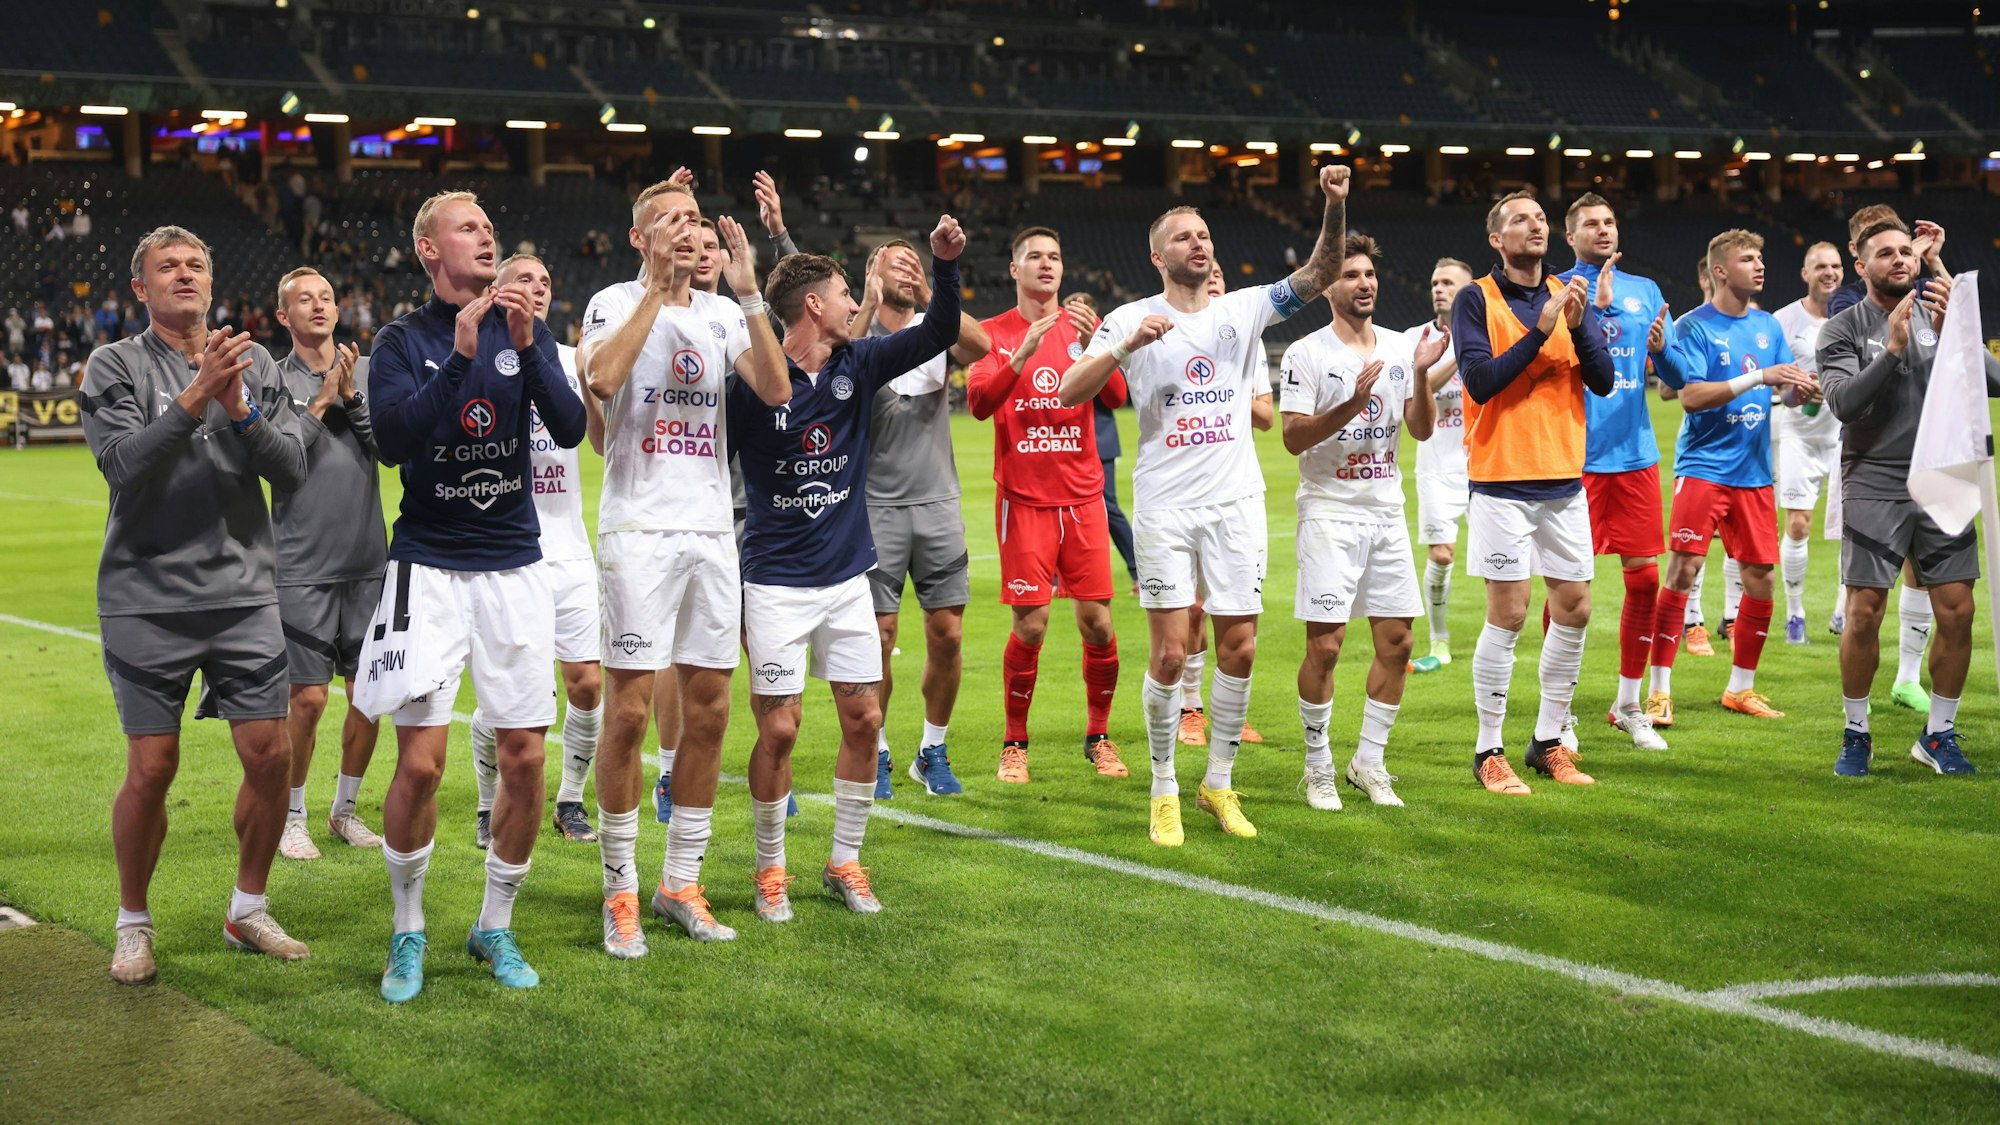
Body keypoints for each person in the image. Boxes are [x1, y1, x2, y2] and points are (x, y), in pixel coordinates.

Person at [1062, 163, 1353, 845]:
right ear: (1157, 255)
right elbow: (1071, 390)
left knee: (1241, 647)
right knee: (1168, 654)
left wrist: (1334, 204)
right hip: (1165, 507)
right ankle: (1163, 786)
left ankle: (1217, 780)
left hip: (1236, 504)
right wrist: (1123, 346)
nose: (1199, 243)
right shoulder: (1129, 318)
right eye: (1184, 237)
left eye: (1204, 235)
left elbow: (1322, 271)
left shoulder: (1243, 307)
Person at [356, 191, 587, 1003]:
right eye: (468, 226)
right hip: (428, 568)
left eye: (491, 223)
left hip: (514, 568)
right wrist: (457, 358)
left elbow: (568, 428)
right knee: (420, 763)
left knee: (525, 757)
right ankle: (407, 927)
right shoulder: (399, 340)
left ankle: (495, 923)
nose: (487, 233)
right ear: (429, 249)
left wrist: (525, 344)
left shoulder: (528, 331)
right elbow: (392, 441)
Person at [82, 225, 311, 984]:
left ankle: (247, 906)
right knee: (152, 766)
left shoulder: (252, 364)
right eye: (167, 267)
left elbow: (292, 468)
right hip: (145, 597)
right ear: (140, 290)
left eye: (197, 265)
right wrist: (196, 394)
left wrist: (239, 405)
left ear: (212, 284)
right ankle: (132, 922)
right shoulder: (113, 363)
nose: (185, 275)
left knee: (271, 754)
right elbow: (123, 466)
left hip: (243, 592)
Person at [732, 216, 967, 914]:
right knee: (779, 728)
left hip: (845, 580)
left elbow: (936, 334)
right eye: (842, 294)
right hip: (774, 580)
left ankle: (845, 862)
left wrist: (945, 266)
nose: (850, 306)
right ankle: (770, 868)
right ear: (814, 306)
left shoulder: (856, 365)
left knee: (863, 717)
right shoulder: (749, 377)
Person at [580, 181, 789, 953]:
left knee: (707, 712)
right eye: (670, 221)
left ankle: (681, 881)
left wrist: (748, 292)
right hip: (639, 527)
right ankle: (620, 888)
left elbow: (774, 388)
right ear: (639, 238)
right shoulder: (610, 302)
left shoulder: (725, 311)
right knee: (630, 713)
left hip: (710, 531)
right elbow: (601, 379)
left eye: (694, 221)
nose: (687, 230)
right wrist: (658, 292)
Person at [1819, 217, 1997, 777]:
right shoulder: (1843, 328)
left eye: (1906, 252)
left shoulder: (1938, 319)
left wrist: (1955, 337)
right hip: (1875, 479)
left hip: (1944, 475)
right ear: (1862, 265)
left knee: (1959, 610)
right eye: (1886, 253)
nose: (1900, 260)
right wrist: (1892, 351)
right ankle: (1857, 732)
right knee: (1864, 613)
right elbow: (1845, 404)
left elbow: (1994, 379)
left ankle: (1938, 735)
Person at [1450, 191, 1615, 795]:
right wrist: (1542, 331)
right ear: (1497, 239)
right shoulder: (1476, 299)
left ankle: (1548, 742)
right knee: (1512, 613)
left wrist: (1578, 326)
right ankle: (1487, 750)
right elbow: (1480, 380)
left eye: (1541, 218)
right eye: (1521, 219)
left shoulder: (1567, 295)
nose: (1536, 226)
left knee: (1575, 609)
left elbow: (1603, 379)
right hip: (1501, 480)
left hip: (1564, 479)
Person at [1279, 234, 1449, 809]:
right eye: (1351, 274)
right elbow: (1292, 437)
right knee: (1325, 647)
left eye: (1370, 274)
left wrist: (1422, 376)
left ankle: (1368, 762)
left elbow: (1421, 430)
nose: (1365, 283)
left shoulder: (1404, 348)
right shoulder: (1307, 353)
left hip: (1384, 510)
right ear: (1328, 286)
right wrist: (1350, 405)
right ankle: (1317, 762)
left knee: (1398, 642)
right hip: (1329, 509)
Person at [964, 225, 1129, 784]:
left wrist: (1094, 344)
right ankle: (1015, 743)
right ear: (1014, 269)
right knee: (1032, 626)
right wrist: (1021, 357)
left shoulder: (1083, 328)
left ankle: (1099, 736)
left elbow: (1116, 397)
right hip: (1025, 500)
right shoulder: (994, 333)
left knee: (1099, 624)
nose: (1046, 265)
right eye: (1034, 256)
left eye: (1054, 257)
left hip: (1082, 497)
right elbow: (980, 402)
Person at [1645, 230, 1816, 727]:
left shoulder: (1767, 326)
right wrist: (1762, 377)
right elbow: (1690, 395)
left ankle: (1741, 688)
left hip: (1754, 473)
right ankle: (1658, 690)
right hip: (1703, 468)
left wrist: (1794, 395)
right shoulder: (1694, 326)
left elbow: (1782, 395)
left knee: (1762, 580)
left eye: (1760, 257)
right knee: (1682, 572)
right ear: (1720, 271)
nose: (1759, 266)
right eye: (1747, 259)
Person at [466, 254, 607, 850]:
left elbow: (592, 436)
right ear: (497, 291)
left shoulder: (567, 362)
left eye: (546, 281)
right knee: (507, 694)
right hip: (508, 551)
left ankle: (571, 797)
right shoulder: (478, 359)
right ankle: (483, 803)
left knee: (587, 686)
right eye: (524, 279)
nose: (537, 288)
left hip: (569, 549)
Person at [855, 239, 993, 798]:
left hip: (937, 504)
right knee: (878, 639)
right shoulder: (857, 333)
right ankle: (877, 751)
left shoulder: (936, 330)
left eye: (913, 258)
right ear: (870, 273)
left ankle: (932, 749)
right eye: (894, 261)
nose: (906, 266)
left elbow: (982, 344)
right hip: (873, 507)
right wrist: (866, 302)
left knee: (948, 634)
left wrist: (933, 288)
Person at [267, 266, 387, 860]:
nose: (318, 306)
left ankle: (345, 809)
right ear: (283, 317)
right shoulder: (269, 377)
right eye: (303, 300)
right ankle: (292, 815)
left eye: (326, 298)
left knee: (368, 695)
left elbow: (387, 451)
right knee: (308, 699)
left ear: (338, 310)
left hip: (367, 560)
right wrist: (320, 403)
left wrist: (352, 398)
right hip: (300, 563)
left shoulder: (364, 371)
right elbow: (279, 462)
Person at [1556, 194, 1681, 750]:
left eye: (1609, 221)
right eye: (1590, 223)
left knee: (1646, 580)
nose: (1602, 229)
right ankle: (1558, 712)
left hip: (1635, 456)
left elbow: (1674, 374)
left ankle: (1629, 704)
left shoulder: (1647, 291)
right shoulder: (1557, 289)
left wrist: (1662, 351)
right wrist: (1600, 309)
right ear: (1570, 236)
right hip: (1573, 458)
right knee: (1569, 592)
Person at [1176, 262, 1270, 748]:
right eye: (1206, 273)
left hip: (1235, 494)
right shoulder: (1176, 332)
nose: (1213, 278)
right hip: (1184, 494)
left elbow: (1267, 415)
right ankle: (1190, 708)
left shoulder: (1247, 341)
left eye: (1219, 273)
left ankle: (1232, 714)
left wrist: (1229, 395)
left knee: (1236, 611)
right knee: (1192, 608)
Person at [1770, 242, 1844, 644]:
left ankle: (1843, 608)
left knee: (1854, 528)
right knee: (1798, 524)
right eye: (1820, 266)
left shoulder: (1855, 317)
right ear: (1805, 273)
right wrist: (1795, 389)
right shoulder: (1785, 319)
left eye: (1835, 266)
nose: (1829, 272)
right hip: (1798, 433)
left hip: (1845, 435)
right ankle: (1795, 612)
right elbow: (1776, 379)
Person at [1411, 257, 1474, 673]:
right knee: (1442, 556)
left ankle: (1500, 635)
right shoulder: (1414, 339)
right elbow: (1419, 388)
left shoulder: (1490, 335)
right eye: (1435, 282)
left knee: (1502, 558)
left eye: (1449, 283)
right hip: (1435, 464)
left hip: (1483, 464)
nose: (1439, 288)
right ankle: (1439, 642)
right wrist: (1458, 353)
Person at [1085, 291, 1140, 587]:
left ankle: (1137, 569)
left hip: (1100, 437)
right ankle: (1055, 578)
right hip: (1068, 441)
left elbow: (1116, 395)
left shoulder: (1108, 350)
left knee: (1109, 507)